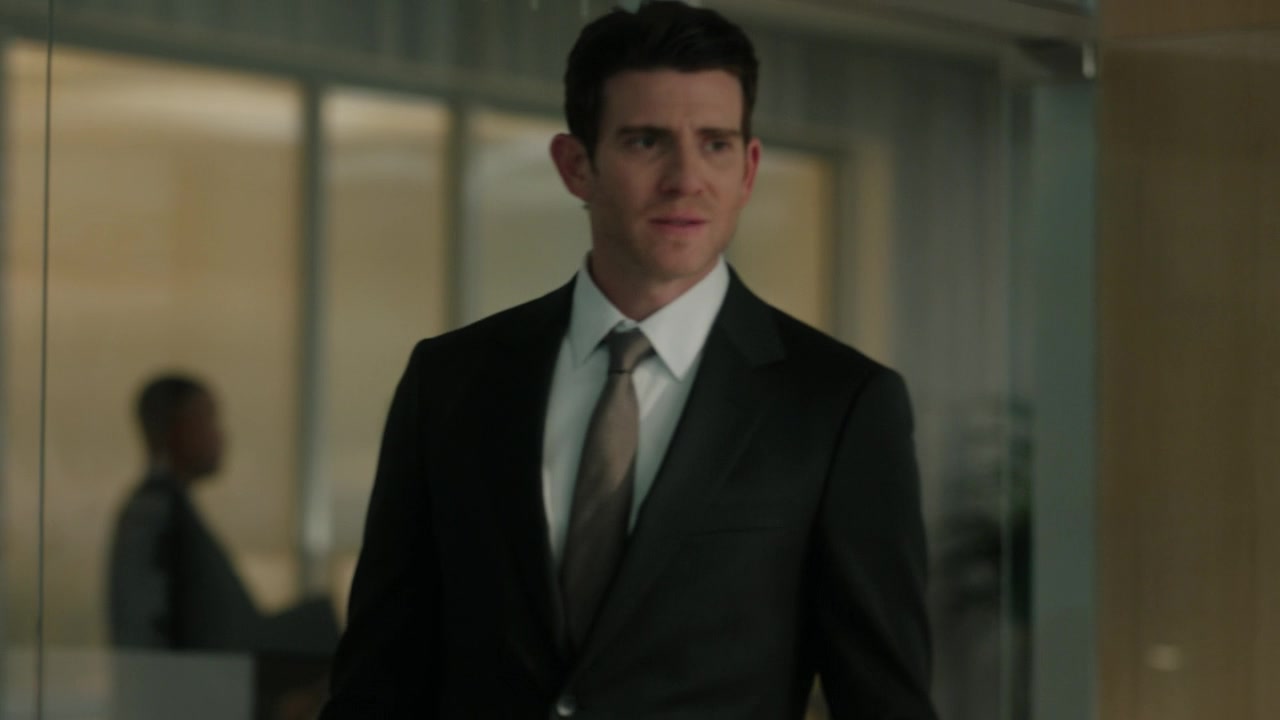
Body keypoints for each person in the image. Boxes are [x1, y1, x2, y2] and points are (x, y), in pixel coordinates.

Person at [322, 2, 936, 718]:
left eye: (715, 144)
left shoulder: (837, 404)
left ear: (748, 169)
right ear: (575, 166)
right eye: (647, 141)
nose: (686, 178)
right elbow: (379, 677)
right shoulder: (452, 378)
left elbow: (884, 703)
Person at [107, 374, 338, 657]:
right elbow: (143, 629)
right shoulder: (154, 513)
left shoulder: (169, 509)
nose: (220, 435)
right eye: (207, 418)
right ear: (175, 426)